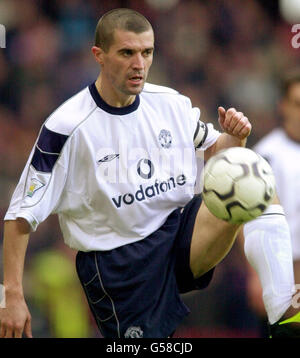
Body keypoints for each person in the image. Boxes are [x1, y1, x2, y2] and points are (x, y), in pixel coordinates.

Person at [0, 8, 298, 338]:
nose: (139, 64)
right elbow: (20, 216)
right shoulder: (65, 127)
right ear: (98, 55)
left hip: (179, 233)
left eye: (147, 52)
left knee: (251, 175)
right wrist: (10, 296)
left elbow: (218, 153)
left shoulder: (170, 103)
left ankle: (284, 313)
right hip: (120, 266)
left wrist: (235, 137)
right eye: (127, 52)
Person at [244, 70, 300, 337]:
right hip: (282, 272)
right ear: (283, 106)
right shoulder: (266, 156)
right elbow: (247, 219)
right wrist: (255, 274)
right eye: (298, 104)